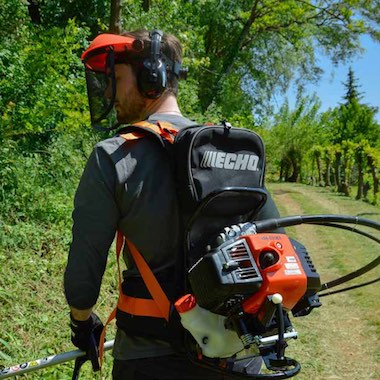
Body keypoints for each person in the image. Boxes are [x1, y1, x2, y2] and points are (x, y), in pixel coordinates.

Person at [64, 29, 283, 379]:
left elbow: (83, 275)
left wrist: (81, 322)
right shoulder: (235, 152)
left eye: (116, 79)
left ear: (152, 78)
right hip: (238, 356)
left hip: (149, 358)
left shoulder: (115, 156)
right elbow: (278, 242)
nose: (108, 92)